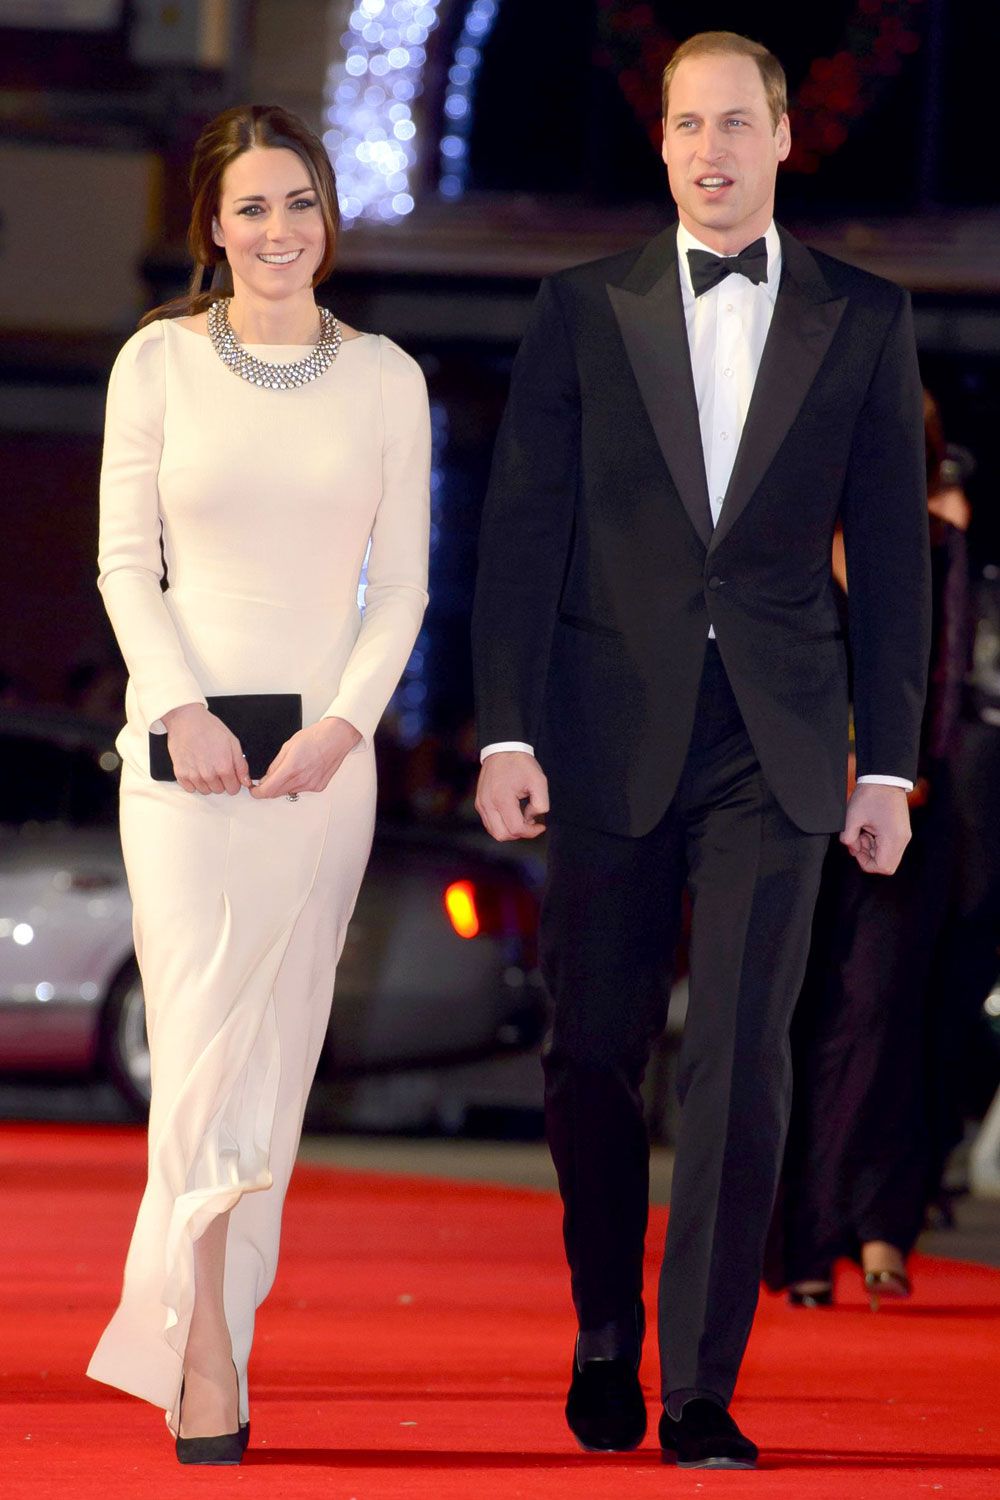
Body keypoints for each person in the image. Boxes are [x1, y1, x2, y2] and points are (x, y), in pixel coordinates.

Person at [472, 30, 930, 1471]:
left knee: (744, 1063)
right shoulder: (580, 308)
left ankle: (700, 1384)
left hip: (783, 744)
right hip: (606, 732)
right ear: (662, 143)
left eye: (738, 123)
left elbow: (900, 562)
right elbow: (521, 537)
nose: (713, 150)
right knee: (595, 1055)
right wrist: (506, 730)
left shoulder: (864, 314)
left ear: (786, 137)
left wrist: (888, 765)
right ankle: (608, 1331)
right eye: (687, 125)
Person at [86, 104, 430, 1464]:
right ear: (212, 229)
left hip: (317, 776)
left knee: (273, 1063)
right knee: (199, 1052)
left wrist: (343, 731)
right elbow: (126, 563)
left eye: (299, 203)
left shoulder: (387, 379)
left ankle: (207, 1321)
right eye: (250, 210)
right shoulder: (158, 364)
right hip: (181, 774)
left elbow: (398, 590)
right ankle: (205, 1356)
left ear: (328, 215)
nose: (278, 230)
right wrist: (178, 705)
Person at [769, 391, 970, 1311]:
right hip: (780, 810)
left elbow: (941, 668)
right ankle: (797, 1240)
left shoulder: (932, 541)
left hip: (897, 816)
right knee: (785, 1021)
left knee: (874, 1020)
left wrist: (894, 770)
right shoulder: (779, 533)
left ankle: (857, 1226)